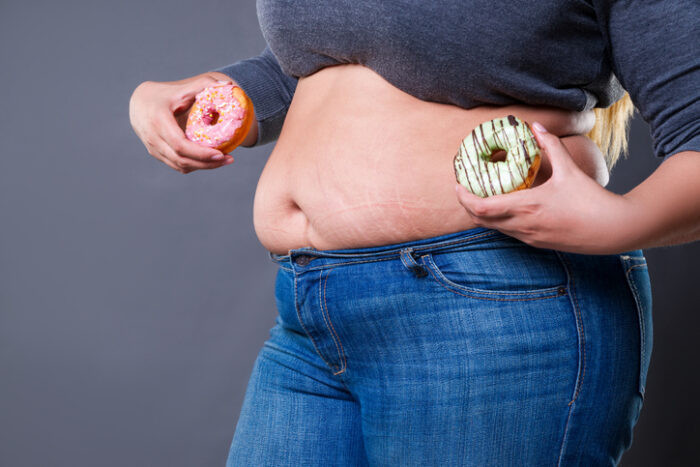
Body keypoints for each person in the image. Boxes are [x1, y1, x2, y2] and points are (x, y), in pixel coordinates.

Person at [129, 1, 699, 465]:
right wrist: (192, 100)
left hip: (493, 304)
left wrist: (618, 222)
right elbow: (332, 59)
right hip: (313, 309)